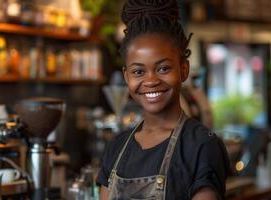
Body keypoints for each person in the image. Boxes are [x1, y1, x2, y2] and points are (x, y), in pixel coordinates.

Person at [96, 0, 230, 199]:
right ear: (126, 77)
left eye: (163, 68)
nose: (150, 80)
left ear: (183, 69)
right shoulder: (118, 146)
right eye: (138, 71)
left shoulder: (201, 145)